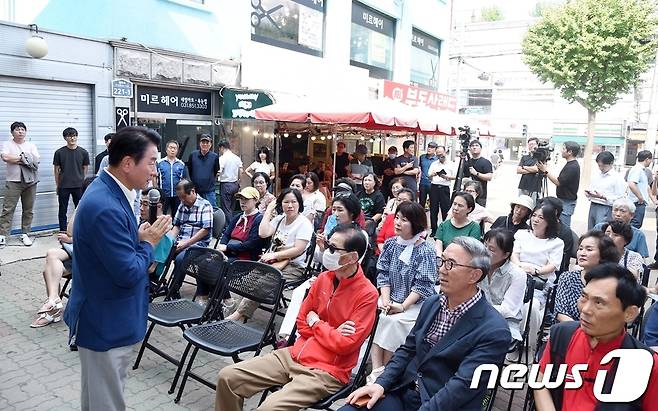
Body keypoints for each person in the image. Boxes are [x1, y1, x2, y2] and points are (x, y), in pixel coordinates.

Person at [63, 127, 171, 410]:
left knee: (99, 400)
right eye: (150, 162)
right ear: (126, 163)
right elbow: (128, 272)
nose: (153, 171)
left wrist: (135, 237)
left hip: (106, 318)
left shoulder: (110, 190)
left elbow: (111, 248)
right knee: (106, 403)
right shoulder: (105, 204)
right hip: (105, 324)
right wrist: (149, 243)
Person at [216, 225, 378, 411]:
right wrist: (330, 331)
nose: (326, 250)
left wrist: (316, 322)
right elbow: (301, 322)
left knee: (269, 408)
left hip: (326, 371)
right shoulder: (324, 278)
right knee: (227, 377)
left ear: (352, 257)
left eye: (333, 248)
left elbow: (346, 344)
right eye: (327, 244)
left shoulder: (367, 294)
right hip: (295, 354)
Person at [341, 237, 510, 411]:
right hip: (404, 391)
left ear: (474, 275)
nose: (441, 270)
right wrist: (381, 383)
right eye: (442, 261)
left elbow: (462, 387)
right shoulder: (432, 304)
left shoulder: (494, 330)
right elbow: (408, 349)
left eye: (450, 264)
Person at [534, 264, 658, 410]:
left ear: (629, 313)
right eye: (584, 297)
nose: (585, 310)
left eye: (599, 303)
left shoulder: (647, 364)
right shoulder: (561, 335)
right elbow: (540, 379)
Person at [368, 201, 437, 383]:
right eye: (397, 217)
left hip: (415, 303)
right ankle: (377, 370)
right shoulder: (390, 244)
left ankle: (387, 371)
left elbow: (423, 285)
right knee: (379, 315)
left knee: (394, 322)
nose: (397, 222)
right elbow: (382, 274)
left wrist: (402, 306)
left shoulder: (426, 250)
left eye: (404, 220)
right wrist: (385, 300)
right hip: (390, 297)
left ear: (416, 224)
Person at [227, 188, 313, 322]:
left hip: (294, 266)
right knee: (249, 278)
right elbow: (263, 233)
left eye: (294, 202)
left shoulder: (304, 223)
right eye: (286, 202)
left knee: (263, 282)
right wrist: (268, 211)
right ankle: (234, 310)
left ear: (299, 203)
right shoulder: (279, 219)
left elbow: (298, 249)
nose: (290, 205)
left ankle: (238, 315)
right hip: (272, 261)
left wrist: (274, 256)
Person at [554, 231, 620, 323]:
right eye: (580, 249)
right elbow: (560, 312)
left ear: (604, 254)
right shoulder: (568, 278)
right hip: (570, 330)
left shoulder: (611, 283)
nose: (582, 253)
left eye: (589, 249)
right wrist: (580, 333)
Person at [168, 179, 214, 300]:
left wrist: (186, 243)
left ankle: (174, 289)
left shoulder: (205, 205)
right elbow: (176, 225)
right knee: (161, 251)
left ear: (192, 192)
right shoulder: (182, 205)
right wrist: (170, 241)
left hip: (198, 244)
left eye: (184, 197)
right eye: (180, 198)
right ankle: (155, 282)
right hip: (182, 241)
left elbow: (206, 230)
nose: (182, 201)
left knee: (180, 259)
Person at [511, 202, 564, 306]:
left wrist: (535, 271)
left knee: (531, 305)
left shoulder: (557, 243)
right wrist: (519, 267)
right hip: (517, 273)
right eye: (534, 215)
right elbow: (514, 254)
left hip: (539, 280)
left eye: (541, 217)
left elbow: (552, 265)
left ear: (549, 221)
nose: (535, 220)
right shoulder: (521, 234)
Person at [482, 228, 527, 341]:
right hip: (475, 317)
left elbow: (508, 310)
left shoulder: (517, 274)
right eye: (485, 245)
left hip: (504, 322)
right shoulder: (477, 265)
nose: (485, 251)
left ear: (505, 254)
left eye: (491, 249)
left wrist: (477, 309)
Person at [0, 121, 39, 247]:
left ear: (25, 132)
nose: (20, 131)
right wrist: (25, 159)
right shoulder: (7, 144)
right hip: (13, 181)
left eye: (22, 129)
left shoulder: (31, 145)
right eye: (17, 129)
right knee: (7, 209)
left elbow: (36, 160)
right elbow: (5, 157)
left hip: (30, 182)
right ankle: (3, 235)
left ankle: (25, 234)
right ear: (12, 132)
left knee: (28, 209)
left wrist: (17, 159)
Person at [53, 127, 90, 233]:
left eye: (74, 135)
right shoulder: (59, 152)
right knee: (62, 209)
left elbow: (85, 168)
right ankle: (63, 230)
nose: (72, 138)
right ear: (65, 138)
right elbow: (56, 170)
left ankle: (80, 229)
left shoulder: (83, 152)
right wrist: (57, 185)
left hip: (78, 185)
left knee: (80, 209)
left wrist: (81, 180)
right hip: (64, 185)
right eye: (69, 136)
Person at [537, 141, 581, 227]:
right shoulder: (570, 164)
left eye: (564, 149)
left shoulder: (572, 166)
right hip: (564, 200)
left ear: (570, 152)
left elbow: (558, 182)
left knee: (564, 227)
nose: (561, 151)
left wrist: (545, 170)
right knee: (560, 225)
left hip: (567, 202)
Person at [218, 187, 264, 262]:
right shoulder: (238, 217)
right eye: (241, 199)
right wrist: (222, 248)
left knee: (218, 267)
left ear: (256, 200)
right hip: (230, 253)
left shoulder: (259, 219)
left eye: (246, 199)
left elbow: (250, 244)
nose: (242, 202)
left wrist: (227, 247)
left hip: (245, 258)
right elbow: (226, 234)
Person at [585, 151, 626, 229]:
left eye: (603, 166)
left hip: (606, 207)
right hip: (593, 204)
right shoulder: (597, 175)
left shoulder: (617, 178)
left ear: (611, 163)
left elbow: (620, 198)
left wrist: (603, 197)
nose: (601, 168)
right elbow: (591, 187)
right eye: (599, 165)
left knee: (601, 231)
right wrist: (589, 193)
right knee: (591, 230)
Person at [377, 188, 415, 254]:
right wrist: (386, 254)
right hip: (384, 253)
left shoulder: (415, 219)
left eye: (404, 200)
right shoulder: (390, 217)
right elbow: (380, 240)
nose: (401, 202)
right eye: (399, 200)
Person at [156, 139, 188, 217]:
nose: (172, 150)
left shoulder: (181, 164)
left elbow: (183, 180)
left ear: (177, 150)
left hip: (177, 195)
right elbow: (155, 178)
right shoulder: (159, 163)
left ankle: (175, 228)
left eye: (175, 148)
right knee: (161, 215)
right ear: (166, 149)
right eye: (171, 147)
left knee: (176, 215)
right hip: (163, 194)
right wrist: (157, 191)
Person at [427, 145, 455, 233]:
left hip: (445, 187)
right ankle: (434, 230)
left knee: (445, 209)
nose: (440, 157)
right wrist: (433, 174)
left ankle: (445, 229)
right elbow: (429, 176)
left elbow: (456, 176)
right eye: (438, 155)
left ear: (445, 152)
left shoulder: (451, 164)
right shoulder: (434, 164)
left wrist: (447, 177)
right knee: (433, 209)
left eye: (441, 154)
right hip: (434, 187)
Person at [187, 134, 219, 209]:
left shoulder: (214, 157)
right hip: (195, 191)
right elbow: (190, 170)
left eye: (207, 142)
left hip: (209, 191)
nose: (205, 144)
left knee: (212, 211)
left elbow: (215, 171)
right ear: (199, 143)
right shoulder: (193, 155)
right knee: (194, 211)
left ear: (210, 144)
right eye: (203, 142)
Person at [626, 149, 653, 229]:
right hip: (637, 202)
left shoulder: (641, 170)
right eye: (650, 160)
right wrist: (640, 197)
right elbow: (631, 184)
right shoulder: (637, 170)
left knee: (635, 224)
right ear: (647, 159)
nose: (651, 162)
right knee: (635, 224)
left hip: (638, 202)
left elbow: (645, 186)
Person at [463, 140, 493, 206]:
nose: (474, 147)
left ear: (481, 148)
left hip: (480, 195)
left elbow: (489, 177)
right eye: (472, 146)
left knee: (479, 214)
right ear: (469, 149)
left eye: (477, 145)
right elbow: (463, 176)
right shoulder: (466, 162)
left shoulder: (486, 162)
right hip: (467, 194)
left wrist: (476, 173)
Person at [217, 140, 242, 218]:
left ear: (222, 147)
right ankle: (233, 225)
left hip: (226, 184)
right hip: (235, 184)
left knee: (226, 208)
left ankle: (229, 227)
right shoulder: (236, 158)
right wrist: (239, 182)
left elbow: (219, 171)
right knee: (232, 207)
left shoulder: (222, 158)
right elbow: (241, 170)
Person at [418, 141, 438, 208]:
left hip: (433, 182)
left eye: (432, 147)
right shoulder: (422, 157)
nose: (429, 149)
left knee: (433, 201)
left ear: (435, 149)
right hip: (423, 182)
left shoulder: (437, 159)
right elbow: (420, 168)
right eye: (429, 147)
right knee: (421, 201)